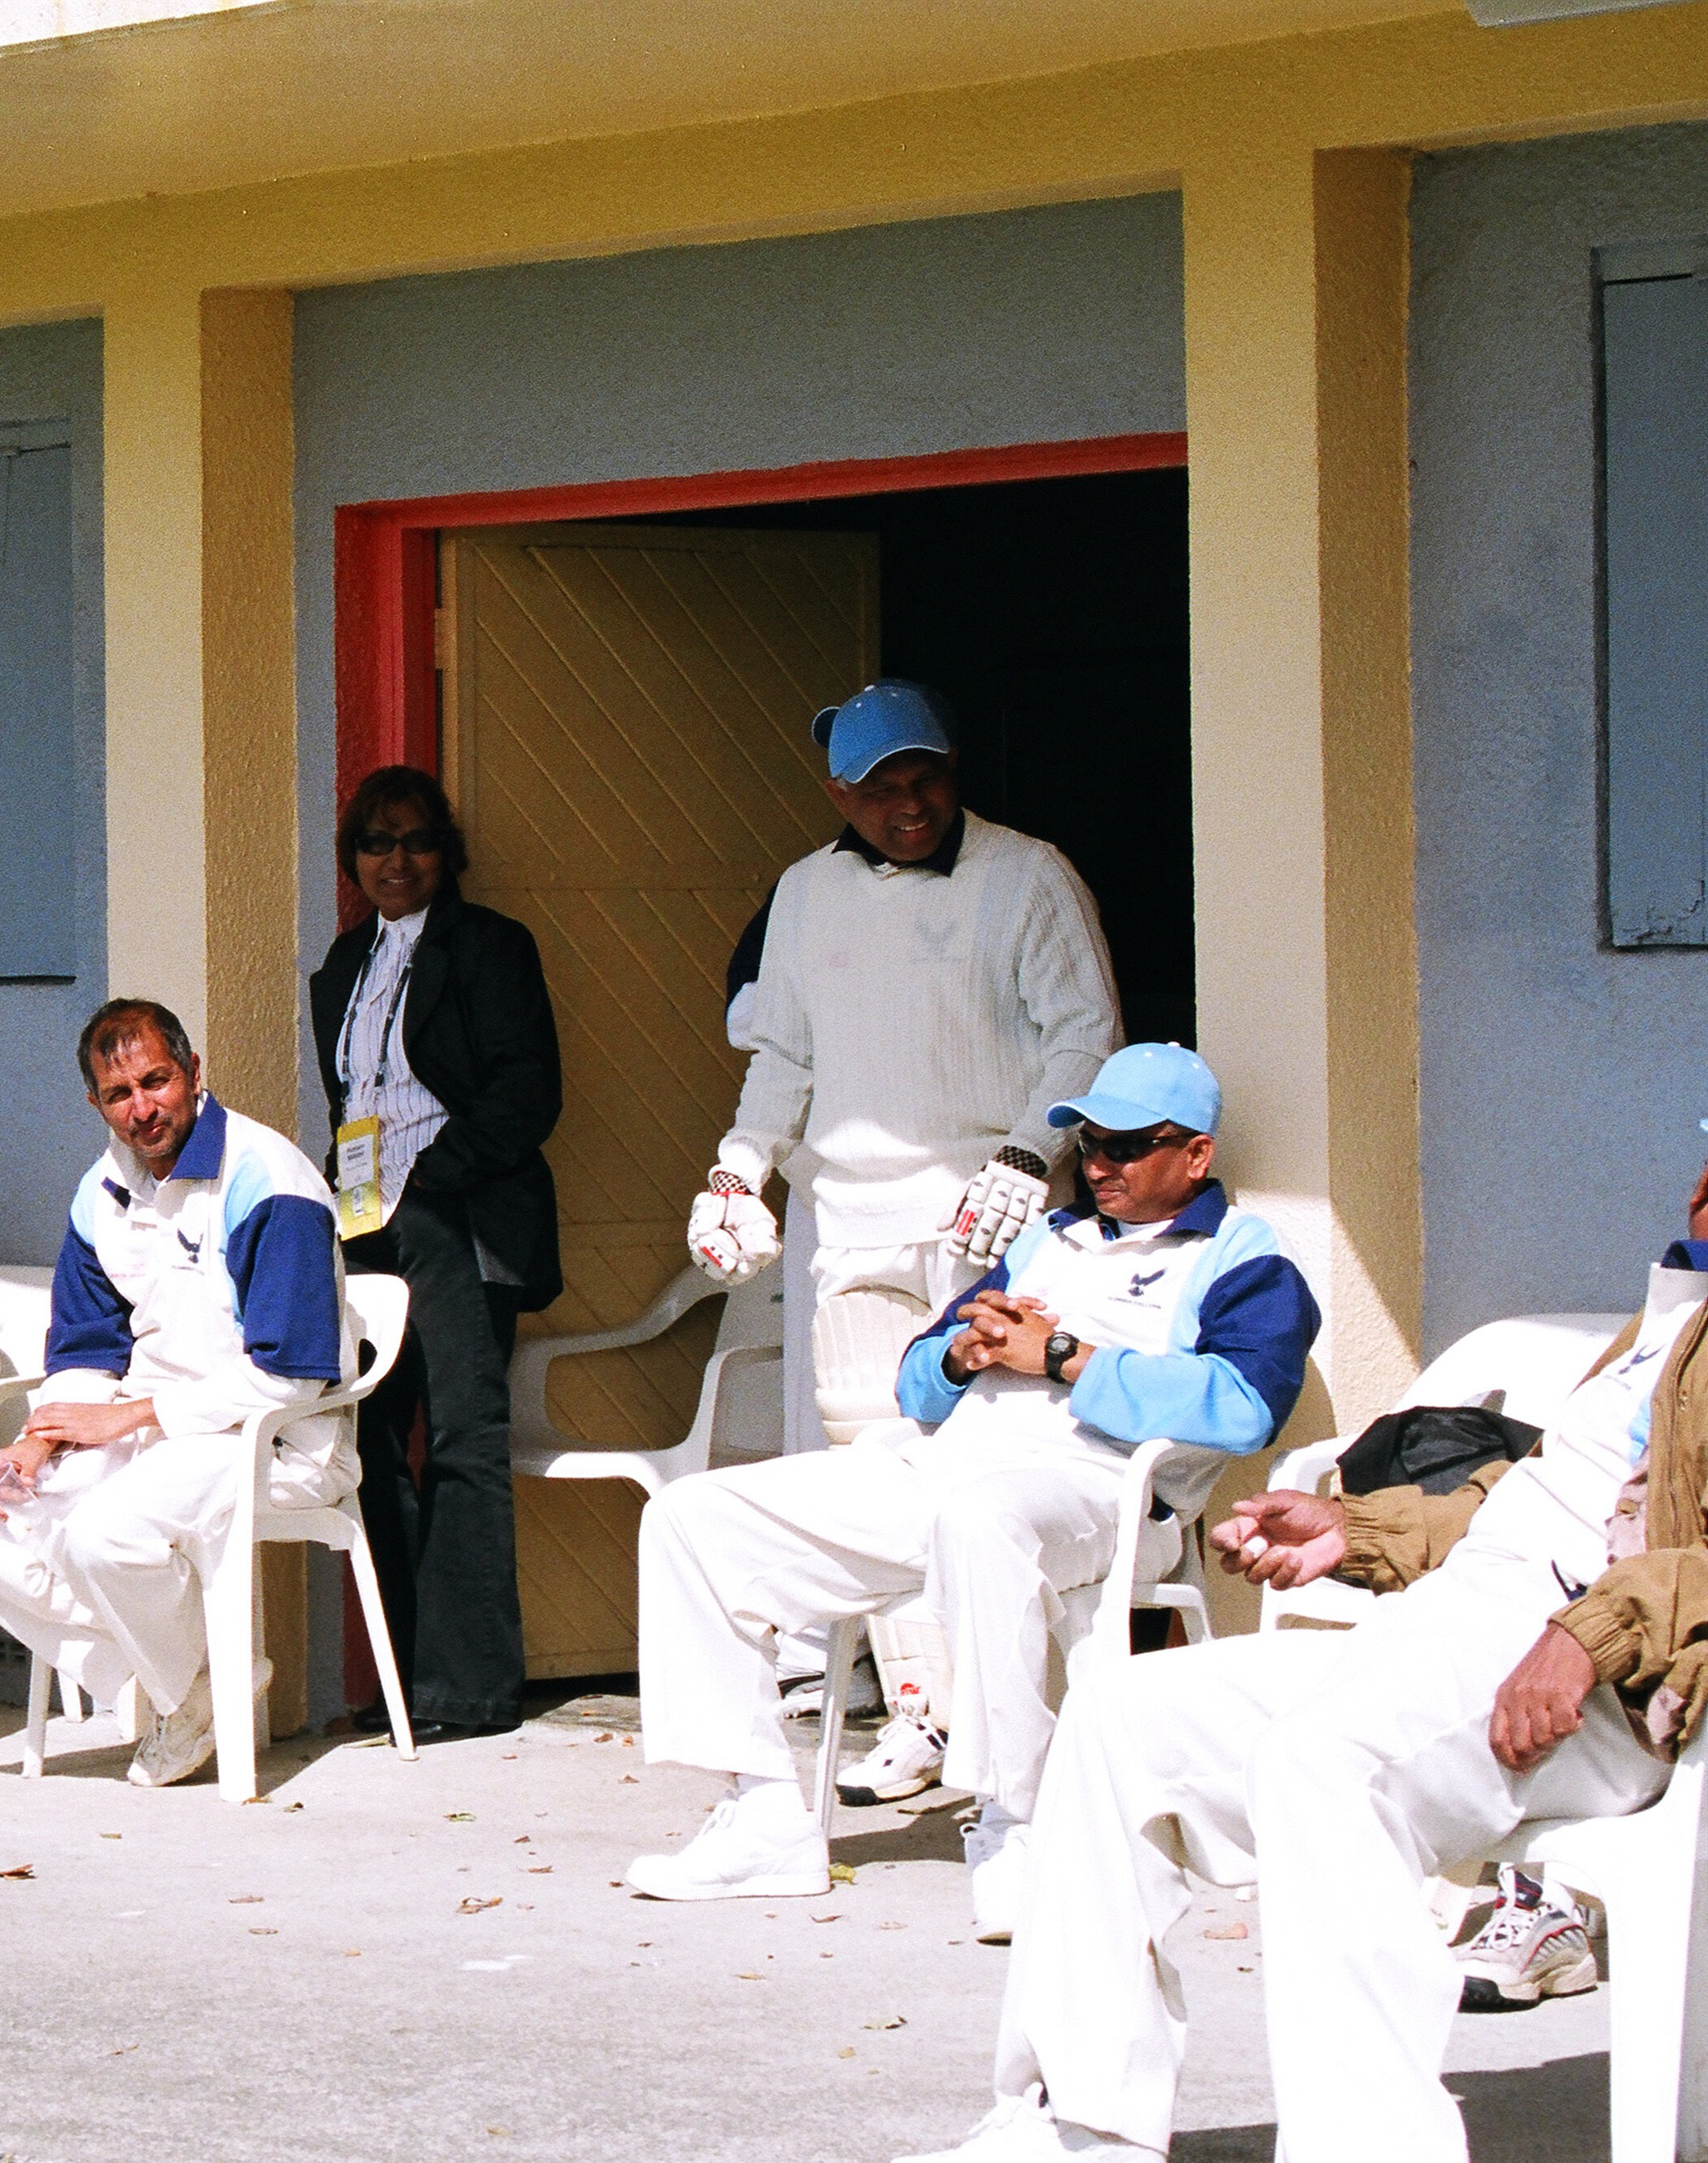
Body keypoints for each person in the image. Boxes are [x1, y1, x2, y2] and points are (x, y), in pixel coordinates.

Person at [903, 1203, 1708, 2163]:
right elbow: (1538, 1506)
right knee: (1124, 1715)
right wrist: (1353, 1533)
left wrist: (1589, 1633)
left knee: (1322, 1764)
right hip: (1463, 1621)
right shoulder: (1668, 1312)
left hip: (1603, 1680)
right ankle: (1087, 2123)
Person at [627, 1044, 1320, 1934]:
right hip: (946, 1466)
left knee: (981, 1519)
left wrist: (1068, 1359)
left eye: (1127, 1144)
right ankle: (761, 1812)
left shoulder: (1240, 1254)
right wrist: (962, 1350)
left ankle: (1018, 1818)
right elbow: (917, 1380)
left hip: (1099, 1489)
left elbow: (1246, 1406)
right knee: (695, 1515)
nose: (1099, 1163)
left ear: (1194, 1153)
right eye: (1090, 1142)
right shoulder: (1049, 1239)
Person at [685, 679, 1123, 1802]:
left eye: (921, 772)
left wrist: (1030, 1152)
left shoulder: (1025, 876)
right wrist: (742, 1166)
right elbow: (781, 1050)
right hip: (849, 1228)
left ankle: (1003, 1732)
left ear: (950, 762)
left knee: (975, 1471)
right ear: (838, 789)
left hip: (988, 1214)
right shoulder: (803, 892)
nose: (906, 801)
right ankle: (922, 1712)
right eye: (879, 785)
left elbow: (1085, 1033)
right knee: (868, 1467)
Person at [0, 999, 349, 1788]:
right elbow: (86, 1349)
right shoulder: (100, 1191)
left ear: (192, 1074)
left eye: (157, 1081)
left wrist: (129, 1416)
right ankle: (182, 1684)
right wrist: (40, 1440)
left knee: (99, 1533)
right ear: (95, 1103)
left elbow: (292, 1373)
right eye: (120, 1094)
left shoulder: (267, 1177)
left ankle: (174, 1691)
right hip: (150, 1436)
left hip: (274, 1439)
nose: (143, 1108)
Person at [307, 765, 561, 1739]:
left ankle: (472, 1689)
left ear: (444, 852)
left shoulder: (492, 947)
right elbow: (350, 1105)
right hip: (368, 1223)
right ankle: (406, 1679)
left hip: (461, 1213)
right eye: (375, 843)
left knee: (462, 1436)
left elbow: (527, 1094)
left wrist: (430, 1180)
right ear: (353, 861)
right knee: (364, 1438)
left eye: (413, 840)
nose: (395, 860)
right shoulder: (341, 966)